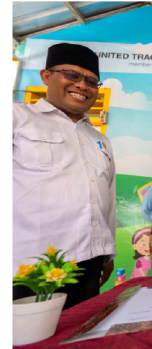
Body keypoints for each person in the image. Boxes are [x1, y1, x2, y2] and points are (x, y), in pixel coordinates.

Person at [11, 43, 116, 310]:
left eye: (91, 81)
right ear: (46, 76)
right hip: (29, 266)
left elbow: (108, 201)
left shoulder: (100, 140)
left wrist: (107, 254)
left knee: (77, 339)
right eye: (71, 75)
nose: (82, 85)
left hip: (88, 262)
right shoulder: (19, 118)